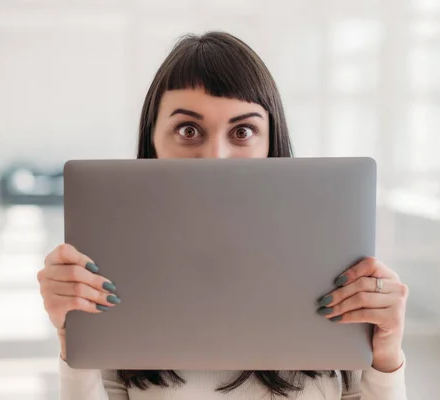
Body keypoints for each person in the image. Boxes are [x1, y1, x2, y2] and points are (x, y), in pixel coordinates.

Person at [37, 31, 408, 400]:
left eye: (243, 131)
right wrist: (74, 336)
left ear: (271, 143)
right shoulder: (115, 277)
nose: (216, 155)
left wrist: (386, 354)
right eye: (188, 129)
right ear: (153, 141)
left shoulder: (329, 268)